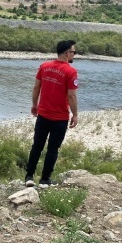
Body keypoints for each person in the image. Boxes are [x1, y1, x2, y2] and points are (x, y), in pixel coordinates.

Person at [25, 39, 79, 188]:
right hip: (59, 117)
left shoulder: (44, 66)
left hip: (43, 114)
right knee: (53, 149)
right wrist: (75, 114)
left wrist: (34, 105)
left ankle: (29, 176)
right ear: (68, 53)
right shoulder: (71, 71)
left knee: (37, 146)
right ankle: (44, 179)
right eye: (74, 52)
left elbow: (36, 88)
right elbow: (72, 96)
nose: (75, 54)